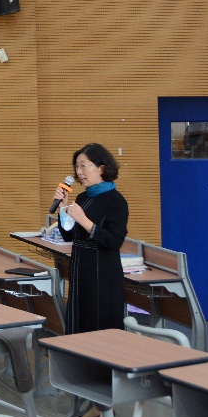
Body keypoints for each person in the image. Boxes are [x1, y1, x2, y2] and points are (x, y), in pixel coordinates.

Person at [54, 143, 129, 335]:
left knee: (99, 328)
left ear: (101, 168)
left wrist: (86, 222)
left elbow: (115, 241)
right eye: (76, 167)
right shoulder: (82, 198)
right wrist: (63, 209)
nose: (79, 172)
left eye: (84, 166)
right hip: (80, 270)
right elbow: (69, 235)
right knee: (78, 324)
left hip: (102, 273)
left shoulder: (116, 201)